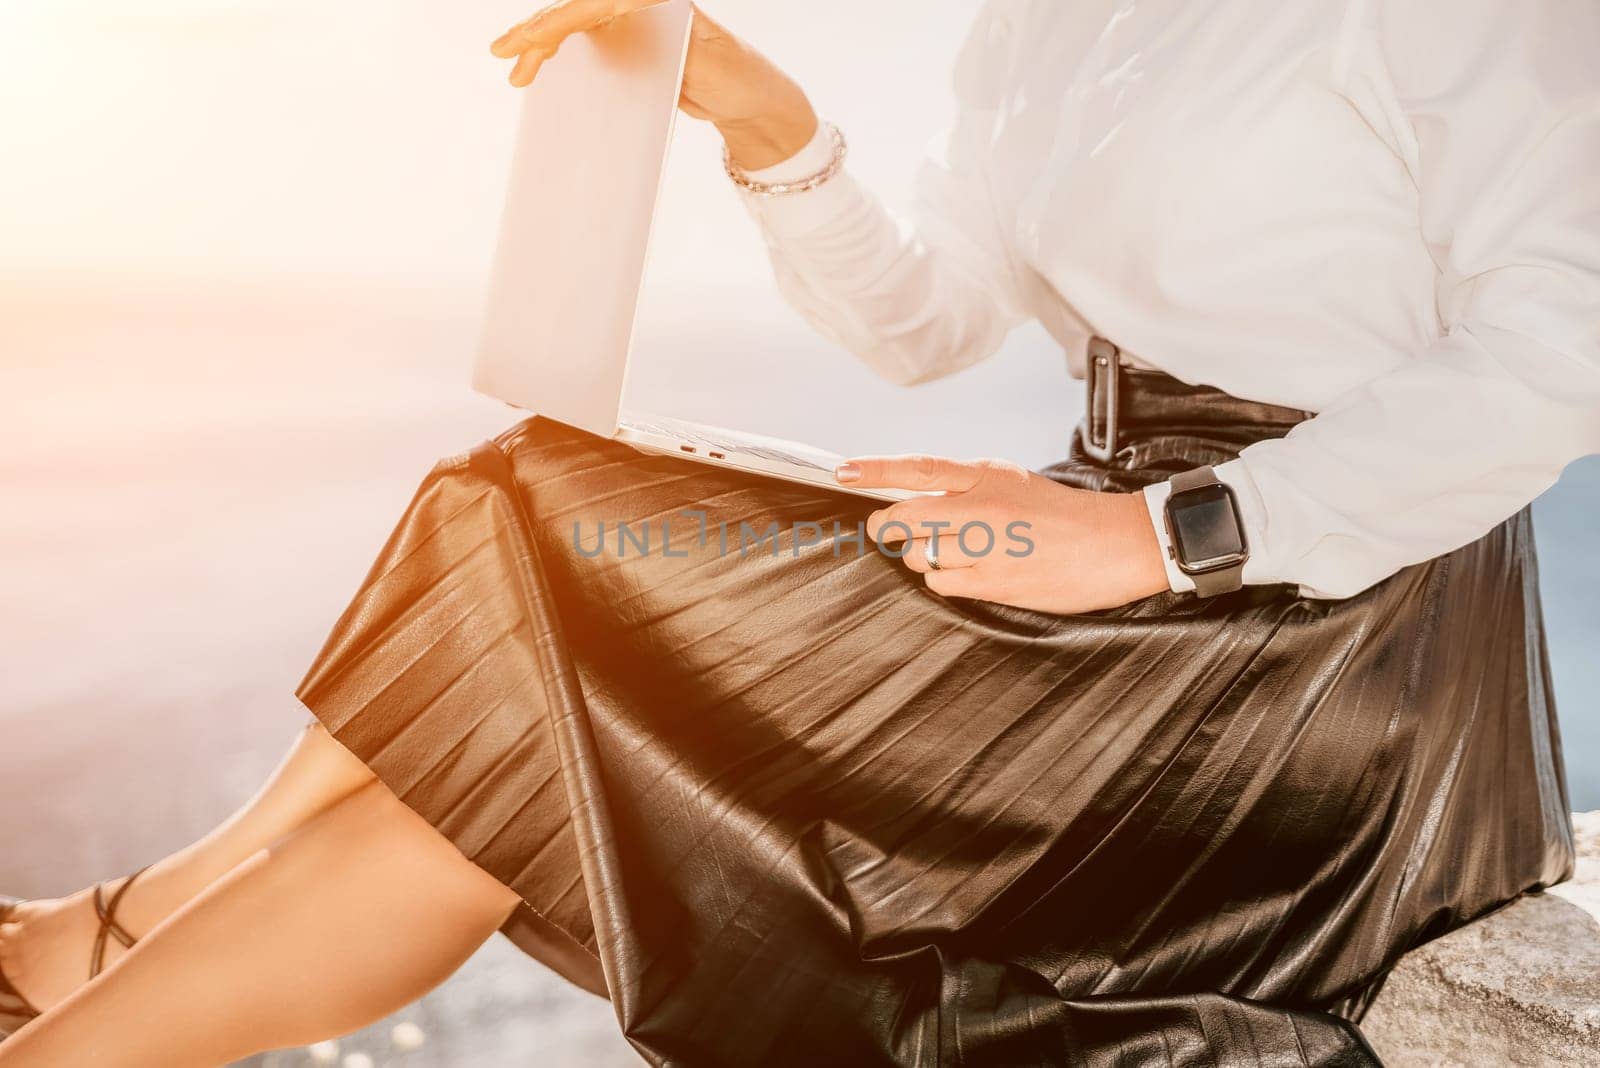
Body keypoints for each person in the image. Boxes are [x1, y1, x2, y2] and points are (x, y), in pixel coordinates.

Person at [3, 1, 1597, 1064]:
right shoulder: (1056, 22)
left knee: (560, 615)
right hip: (1089, 533)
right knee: (524, 502)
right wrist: (765, 118)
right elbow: (933, 319)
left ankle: (97, 957)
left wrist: (1165, 535)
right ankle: (118, 945)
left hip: (1319, 618)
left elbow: (1564, 348)